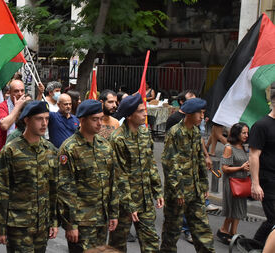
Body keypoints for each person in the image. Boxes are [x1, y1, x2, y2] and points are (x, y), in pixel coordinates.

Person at [0, 101, 58, 252]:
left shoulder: (50, 150)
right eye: (39, 119)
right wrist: (0, 225)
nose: (44, 123)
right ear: (26, 120)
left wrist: (54, 220)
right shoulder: (11, 151)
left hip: (42, 223)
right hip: (18, 225)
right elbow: (0, 190)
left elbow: (54, 189)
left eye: (47, 119)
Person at [58, 100, 119, 253]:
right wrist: (71, 224)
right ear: (82, 120)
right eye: (94, 119)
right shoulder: (69, 148)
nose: (100, 123)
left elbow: (113, 182)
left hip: (102, 218)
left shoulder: (105, 145)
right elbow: (66, 189)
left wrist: (113, 213)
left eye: (101, 118)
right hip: (82, 221)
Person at [109, 93, 164, 252]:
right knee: (117, 246)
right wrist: (129, 205)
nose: (145, 114)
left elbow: (151, 164)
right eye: (141, 111)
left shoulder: (145, 134)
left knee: (151, 243)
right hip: (123, 204)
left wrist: (157, 191)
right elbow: (119, 176)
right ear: (130, 115)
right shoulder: (118, 139)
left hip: (145, 200)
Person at [160, 98, 214, 253]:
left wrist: (204, 185)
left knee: (203, 230)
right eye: (200, 113)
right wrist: (177, 191)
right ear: (190, 113)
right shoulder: (175, 133)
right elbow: (169, 163)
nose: (202, 117)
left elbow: (200, 160)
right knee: (172, 232)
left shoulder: (196, 132)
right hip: (179, 193)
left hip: (195, 191)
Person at [217, 122, 249, 244]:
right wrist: (241, 168)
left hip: (242, 181)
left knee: (239, 208)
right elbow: (224, 168)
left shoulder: (242, 147)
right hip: (232, 182)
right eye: (243, 133)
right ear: (237, 133)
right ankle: (224, 230)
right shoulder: (229, 148)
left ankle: (233, 232)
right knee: (232, 208)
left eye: (247, 132)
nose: (246, 135)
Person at [250, 92, 275, 244]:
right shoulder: (261, 125)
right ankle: (255, 244)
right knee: (273, 218)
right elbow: (254, 156)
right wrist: (255, 184)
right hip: (267, 179)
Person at [0, 80, 27, 152]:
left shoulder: (27, 105)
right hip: (7, 150)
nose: (20, 94)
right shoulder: (3, 106)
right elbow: (4, 125)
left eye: (22, 91)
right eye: (16, 91)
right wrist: (17, 107)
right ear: (9, 92)